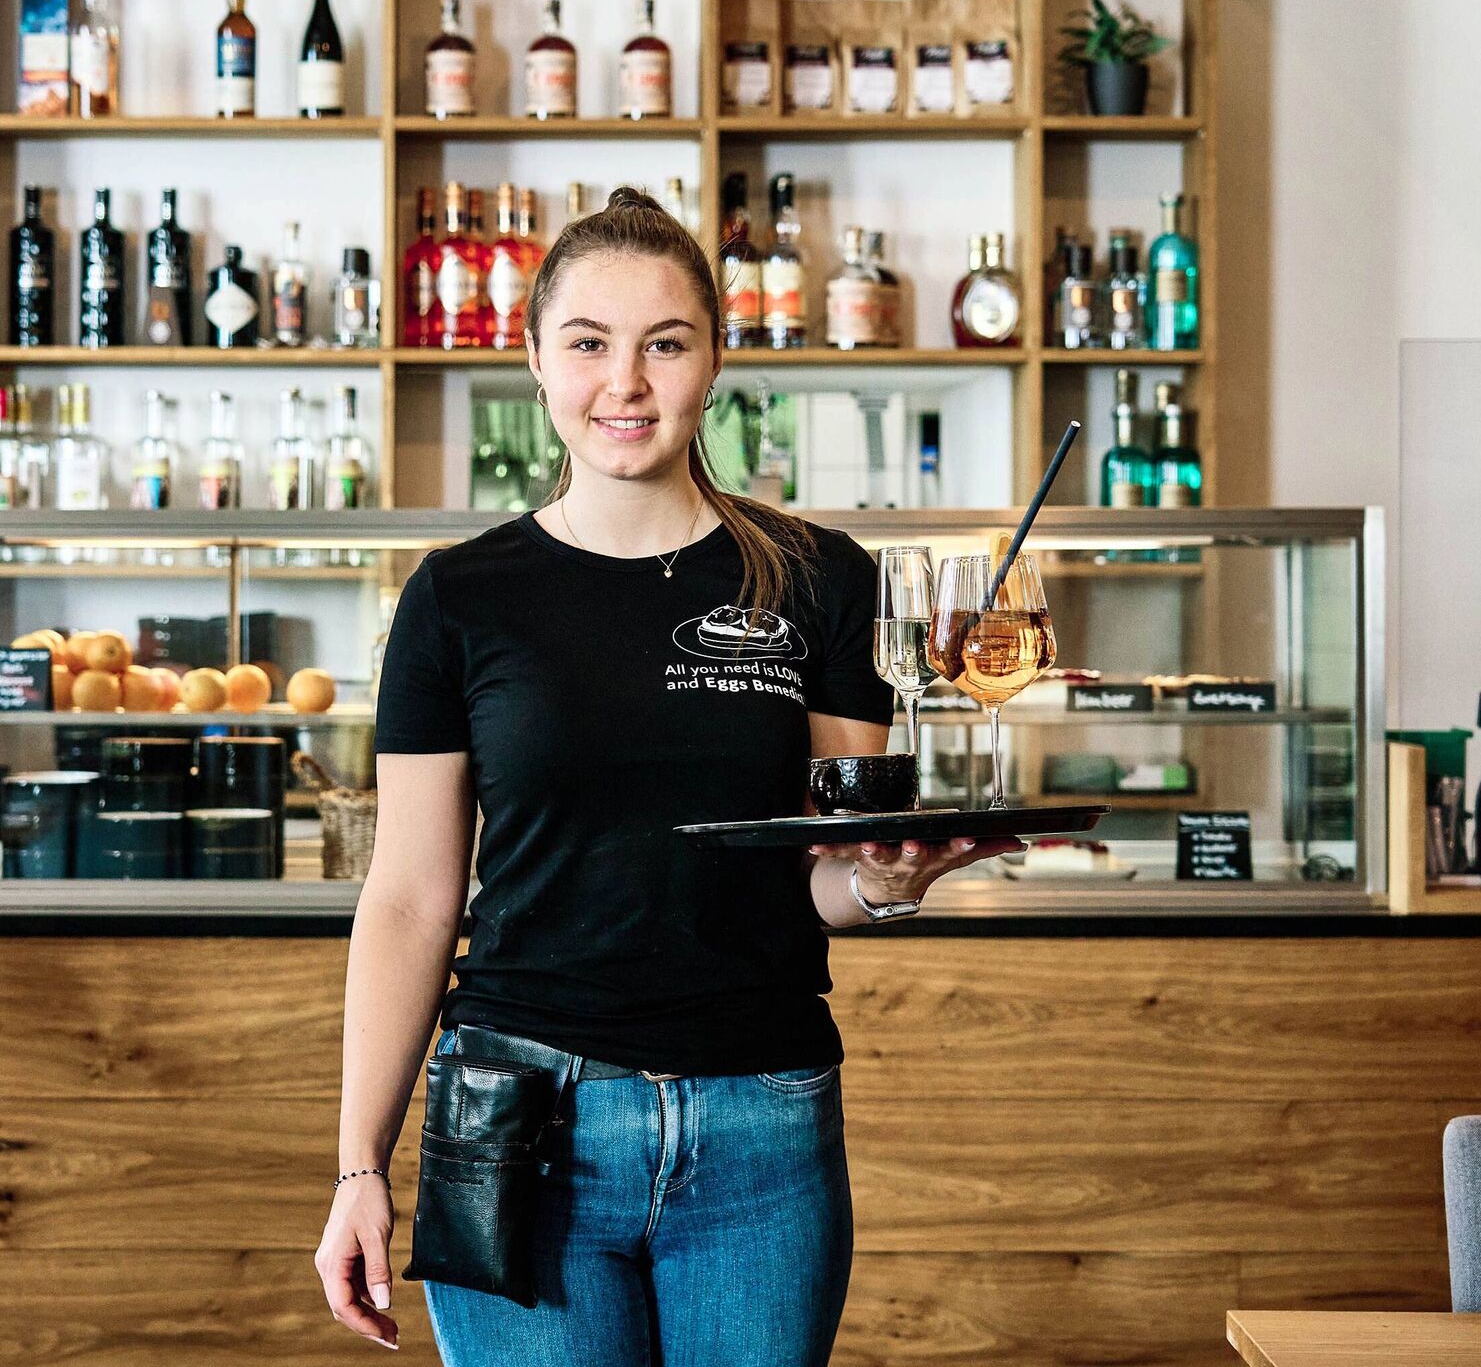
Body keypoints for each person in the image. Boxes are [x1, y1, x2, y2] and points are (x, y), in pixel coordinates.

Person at [315, 186, 1019, 1365]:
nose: (624, 383)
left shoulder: (819, 580)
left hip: (762, 1126)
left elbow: (827, 879)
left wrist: (894, 882)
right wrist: (357, 1167)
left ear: (716, 362)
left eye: (665, 344)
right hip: (519, 1122)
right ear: (535, 360)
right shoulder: (459, 597)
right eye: (588, 344)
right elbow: (408, 899)